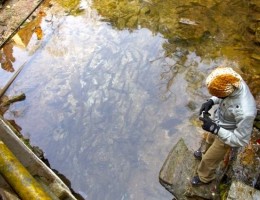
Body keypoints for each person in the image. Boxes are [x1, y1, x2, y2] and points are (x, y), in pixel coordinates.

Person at [191, 66, 257, 186]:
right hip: (220, 121)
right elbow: (222, 93)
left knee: (209, 160)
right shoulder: (233, 80)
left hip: (227, 136)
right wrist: (211, 101)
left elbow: (240, 140)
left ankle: (205, 178)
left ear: (226, 94)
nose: (218, 97)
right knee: (209, 139)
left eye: (218, 96)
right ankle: (204, 153)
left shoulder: (246, 112)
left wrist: (215, 129)